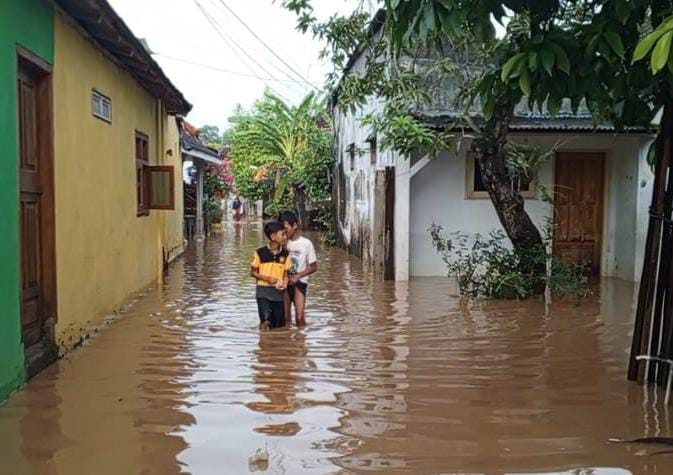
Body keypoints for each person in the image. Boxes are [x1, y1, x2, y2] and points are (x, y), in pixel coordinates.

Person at [279, 211, 318, 327]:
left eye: (286, 228)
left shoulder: (306, 243)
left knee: (300, 318)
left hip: (299, 283)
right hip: (284, 283)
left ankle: (301, 341)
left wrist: (298, 276)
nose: (284, 231)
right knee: (285, 319)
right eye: (282, 229)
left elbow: (314, 266)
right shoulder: (281, 244)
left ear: (294, 225)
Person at [250, 222, 291, 330]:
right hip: (263, 291)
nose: (285, 237)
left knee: (278, 326)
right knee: (265, 321)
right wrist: (266, 278)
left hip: (278, 293)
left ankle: (274, 344)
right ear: (273, 237)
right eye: (282, 234)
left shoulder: (286, 254)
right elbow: (253, 272)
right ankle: (264, 343)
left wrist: (285, 285)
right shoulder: (259, 253)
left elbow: (286, 274)